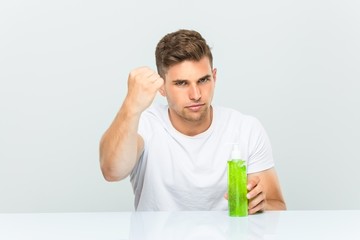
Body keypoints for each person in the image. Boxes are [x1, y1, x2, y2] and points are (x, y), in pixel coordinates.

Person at [99, 29, 286, 214]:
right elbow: (111, 171)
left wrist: (260, 205)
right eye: (181, 83)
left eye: (203, 80)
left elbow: (277, 206)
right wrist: (131, 106)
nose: (196, 95)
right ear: (162, 88)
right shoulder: (143, 125)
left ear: (214, 77)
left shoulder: (246, 129)